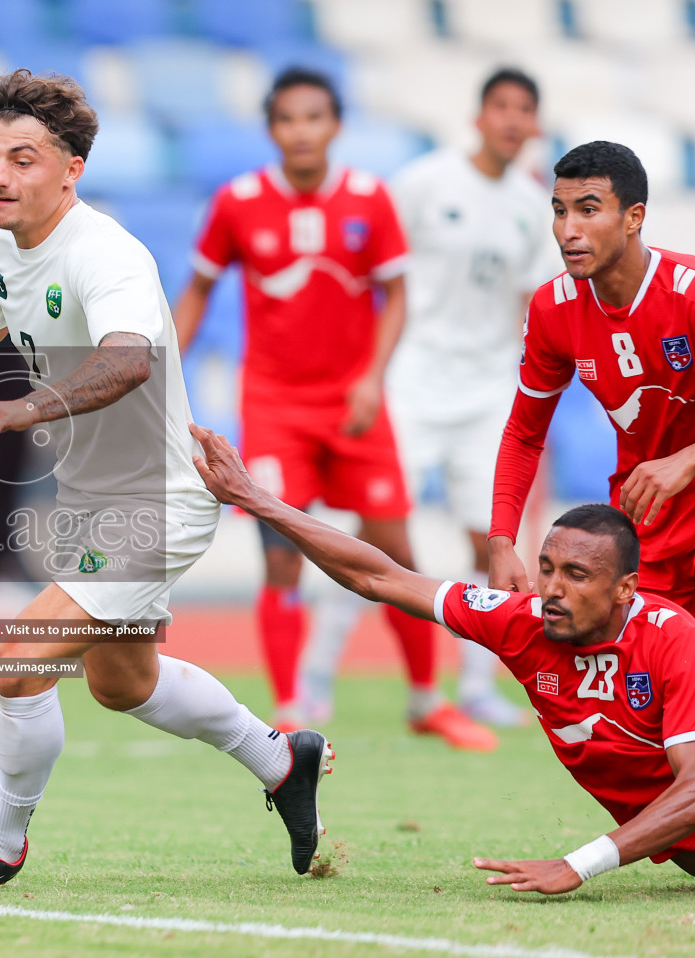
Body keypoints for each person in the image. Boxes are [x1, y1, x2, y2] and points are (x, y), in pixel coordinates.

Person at [0, 71, 334, 890]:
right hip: (92, 499)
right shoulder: (4, 242)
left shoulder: (106, 253)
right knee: (122, 682)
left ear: (70, 168)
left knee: (19, 660)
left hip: (155, 501)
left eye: (23, 159)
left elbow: (129, 360)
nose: (0, 176)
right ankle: (283, 761)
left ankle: (1, 844)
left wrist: (28, 406)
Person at [192, 423, 695, 893]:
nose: (554, 588)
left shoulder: (673, 637)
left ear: (625, 590)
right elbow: (379, 576)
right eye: (549, 569)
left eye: (578, 575)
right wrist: (256, 499)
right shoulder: (522, 622)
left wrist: (576, 865)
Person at [173, 67, 495, 751]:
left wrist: (374, 377)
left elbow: (397, 295)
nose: (301, 131)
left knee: (397, 549)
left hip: (355, 404)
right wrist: (162, 364)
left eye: (313, 117)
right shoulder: (238, 202)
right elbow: (199, 288)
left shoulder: (370, 200)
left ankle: (423, 699)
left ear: (335, 126)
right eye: (288, 119)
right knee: (282, 554)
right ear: (272, 130)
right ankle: (289, 708)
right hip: (275, 407)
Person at [489, 141, 695, 738]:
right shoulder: (553, 308)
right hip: (647, 516)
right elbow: (525, 431)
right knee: (642, 695)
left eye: (589, 209)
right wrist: (502, 539)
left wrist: (685, 462)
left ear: (634, 217)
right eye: (560, 211)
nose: (569, 230)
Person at [383, 68, 555, 728]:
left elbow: (529, 302)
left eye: (524, 109)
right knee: (376, 525)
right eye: (501, 106)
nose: (512, 120)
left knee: (493, 540)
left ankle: (479, 686)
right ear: (478, 116)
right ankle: (313, 680)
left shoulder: (531, 205)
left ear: (534, 124)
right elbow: (382, 276)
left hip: (486, 391)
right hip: (412, 378)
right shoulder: (424, 182)